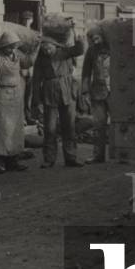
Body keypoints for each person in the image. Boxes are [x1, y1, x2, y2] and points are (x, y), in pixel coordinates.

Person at [33, 29, 86, 168]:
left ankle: (71, 157)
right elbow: (36, 80)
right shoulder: (40, 58)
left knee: (69, 126)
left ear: (55, 46)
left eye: (48, 48)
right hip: (49, 93)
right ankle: (49, 158)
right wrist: (37, 101)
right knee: (50, 128)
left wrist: (77, 36)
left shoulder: (64, 52)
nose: (46, 51)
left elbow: (79, 50)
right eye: (44, 48)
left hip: (67, 90)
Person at [0, 29, 37, 173]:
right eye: (9, 46)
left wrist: (37, 48)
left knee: (15, 129)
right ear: (3, 45)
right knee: (0, 129)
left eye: (14, 46)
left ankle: (13, 160)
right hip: (1, 95)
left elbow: (28, 63)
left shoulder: (17, 55)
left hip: (16, 96)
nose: (12, 49)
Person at [80, 25, 111, 164]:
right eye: (93, 39)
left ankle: (122, 154)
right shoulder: (91, 51)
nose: (95, 41)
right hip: (98, 92)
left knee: (119, 124)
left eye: (97, 38)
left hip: (116, 92)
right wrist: (85, 91)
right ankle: (98, 155)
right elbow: (86, 72)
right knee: (99, 124)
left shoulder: (114, 49)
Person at [20, 10, 38, 124]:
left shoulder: (35, 34)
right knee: (21, 93)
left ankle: (28, 115)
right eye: (25, 19)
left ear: (32, 20)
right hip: (21, 67)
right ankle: (21, 117)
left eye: (29, 19)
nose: (27, 21)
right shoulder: (19, 32)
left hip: (32, 68)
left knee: (29, 95)